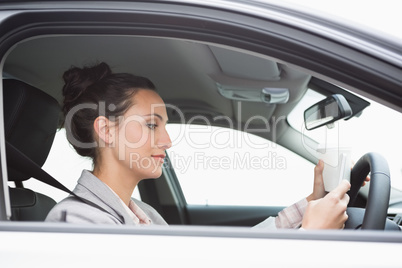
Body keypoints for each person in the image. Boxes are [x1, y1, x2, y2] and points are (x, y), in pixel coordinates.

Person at [46, 62, 352, 229]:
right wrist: (311, 240)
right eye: (153, 124)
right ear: (106, 131)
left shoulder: (144, 215)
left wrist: (313, 201)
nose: (167, 140)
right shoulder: (78, 222)